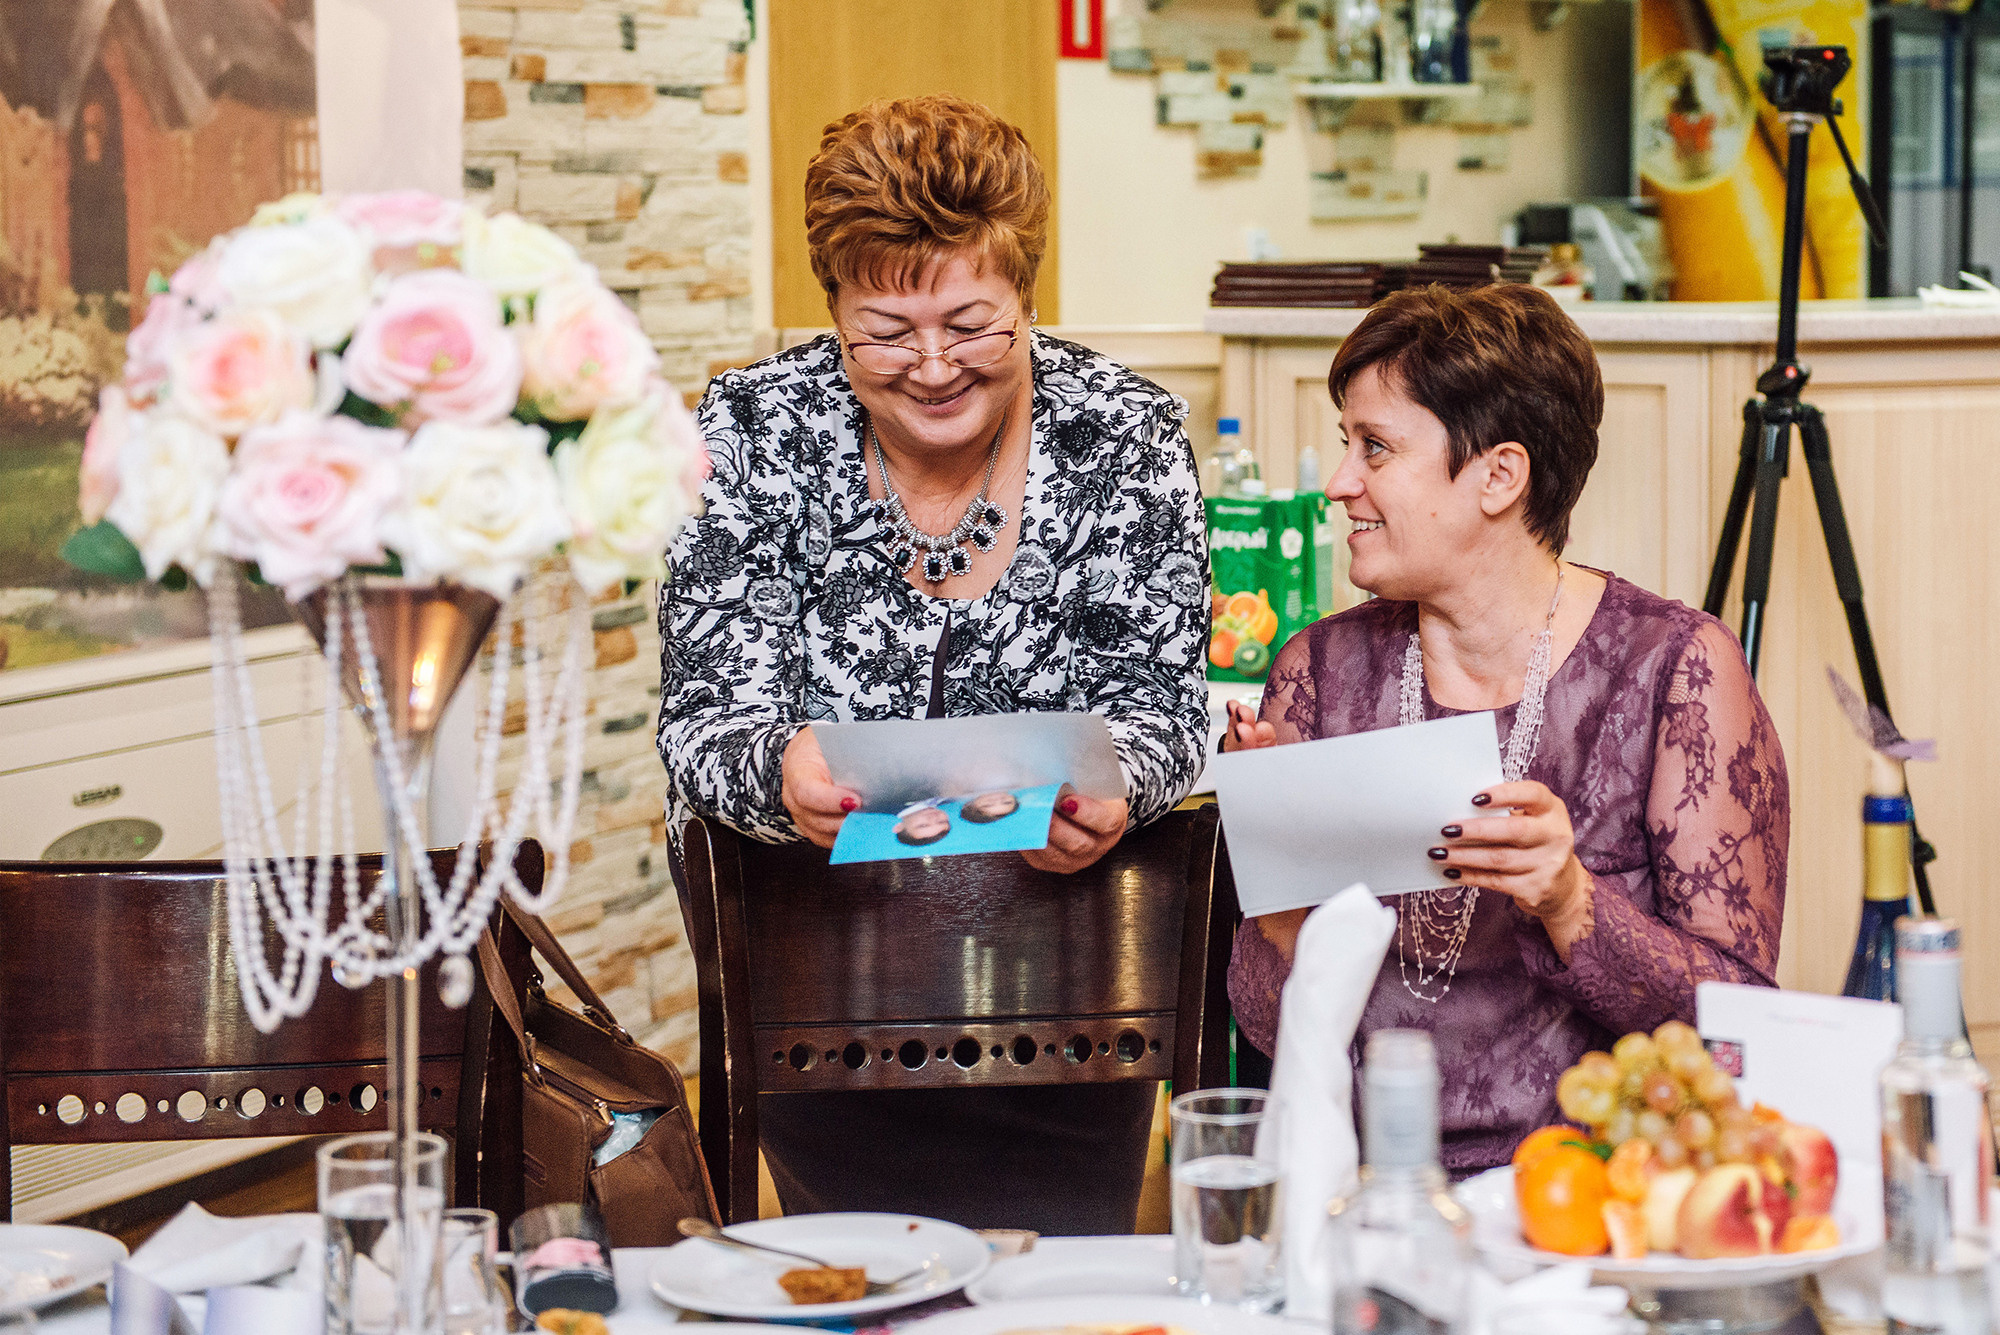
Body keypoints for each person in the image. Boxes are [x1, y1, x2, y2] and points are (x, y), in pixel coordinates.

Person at [656, 95, 1210, 1230]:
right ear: (831, 310)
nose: (930, 366)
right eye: (884, 331)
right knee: (857, 1272)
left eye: (971, 323)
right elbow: (701, 717)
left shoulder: (1126, 433)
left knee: (1062, 1282)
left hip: (1079, 970)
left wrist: (1117, 776)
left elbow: (1162, 700)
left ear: (1026, 295)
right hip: (818, 977)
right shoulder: (752, 430)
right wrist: (777, 770)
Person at [1222, 283, 1789, 1176]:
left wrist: (1571, 902)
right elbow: (1260, 1023)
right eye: (1346, 445)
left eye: (1375, 447)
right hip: (1355, 1182)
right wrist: (1287, 892)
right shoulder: (1319, 674)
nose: (1340, 484)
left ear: (1499, 474)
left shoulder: (1676, 669)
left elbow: (1745, 1024)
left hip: (1593, 1191)